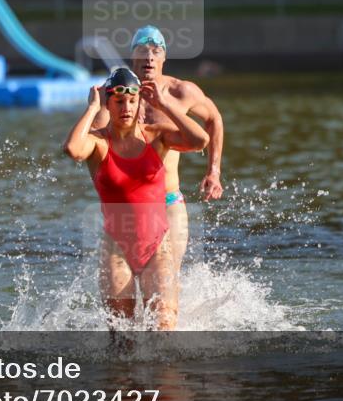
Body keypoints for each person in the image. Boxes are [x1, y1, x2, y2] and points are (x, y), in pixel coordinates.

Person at [64, 68, 209, 330]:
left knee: (164, 328)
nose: (126, 107)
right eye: (119, 102)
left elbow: (200, 140)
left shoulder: (156, 136)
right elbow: (72, 149)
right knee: (122, 339)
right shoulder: (98, 144)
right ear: (108, 103)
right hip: (117, 249)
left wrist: (165, 104)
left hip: (157, 247)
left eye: (132, 100)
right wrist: (91, 109)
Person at [93, 26, 225, 279]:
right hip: (125, 208)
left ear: (164, 58)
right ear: (133, 56)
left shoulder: (180, 92)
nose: (149, 57)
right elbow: (94, 141)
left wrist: (214, 171)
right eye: (142, 51)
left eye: (156, 51)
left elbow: (214, 119)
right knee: (124, 284)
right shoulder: (118, 95)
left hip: (168, 202)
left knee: (164, 279)